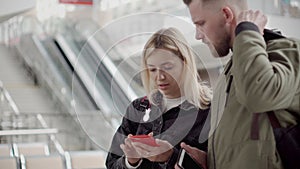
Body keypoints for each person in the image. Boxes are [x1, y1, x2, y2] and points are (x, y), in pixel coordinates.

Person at [176, 0, 300, 169]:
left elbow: (259, 93)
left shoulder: (286, 50)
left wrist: (247, 30)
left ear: (227, 15)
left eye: (201, 23)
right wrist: (211, 162)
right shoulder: (228, 74)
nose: (198, 35)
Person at [105, 27, 212, 169]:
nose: (160, 77)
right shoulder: (138, 108)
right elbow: (111, 164)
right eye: (152, 69)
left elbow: (218, 164)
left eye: (167, 67)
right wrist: (130, 162)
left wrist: (171, 156)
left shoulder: (208, 111)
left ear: (185, 63)